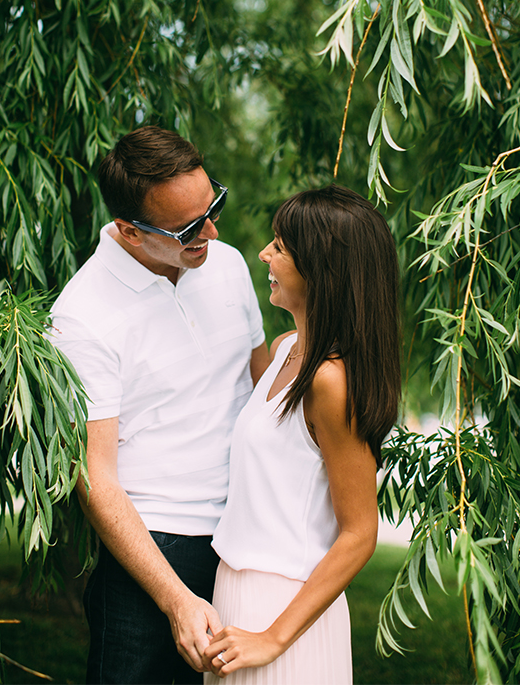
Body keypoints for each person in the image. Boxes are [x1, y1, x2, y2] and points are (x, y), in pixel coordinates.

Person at [50, 125, 270, 684]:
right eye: (190, 228)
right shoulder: (81, 315)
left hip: (248, 540)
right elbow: (94, 478)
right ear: (128, 230)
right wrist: (176, 600)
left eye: (212, 206)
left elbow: (263, 391)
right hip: (154, 555)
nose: (212, 232)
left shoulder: (227, 264)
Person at [203, 185, 401, 682]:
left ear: (321, 270)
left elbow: (360, 533)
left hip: (287, 612)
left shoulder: (331, 382)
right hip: (232, 594)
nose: (264, 254)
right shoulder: (283, 348)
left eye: (280, 246)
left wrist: (272, 638)